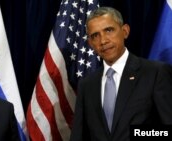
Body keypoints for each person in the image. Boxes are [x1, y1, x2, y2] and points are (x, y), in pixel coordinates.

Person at [70, 7, 172, 141]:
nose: (103, 41)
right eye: (95, 35)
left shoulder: (155, 73)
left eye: (109, 30)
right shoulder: (87, 85)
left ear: (125, 31)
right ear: (90, 43)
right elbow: (78, 136)